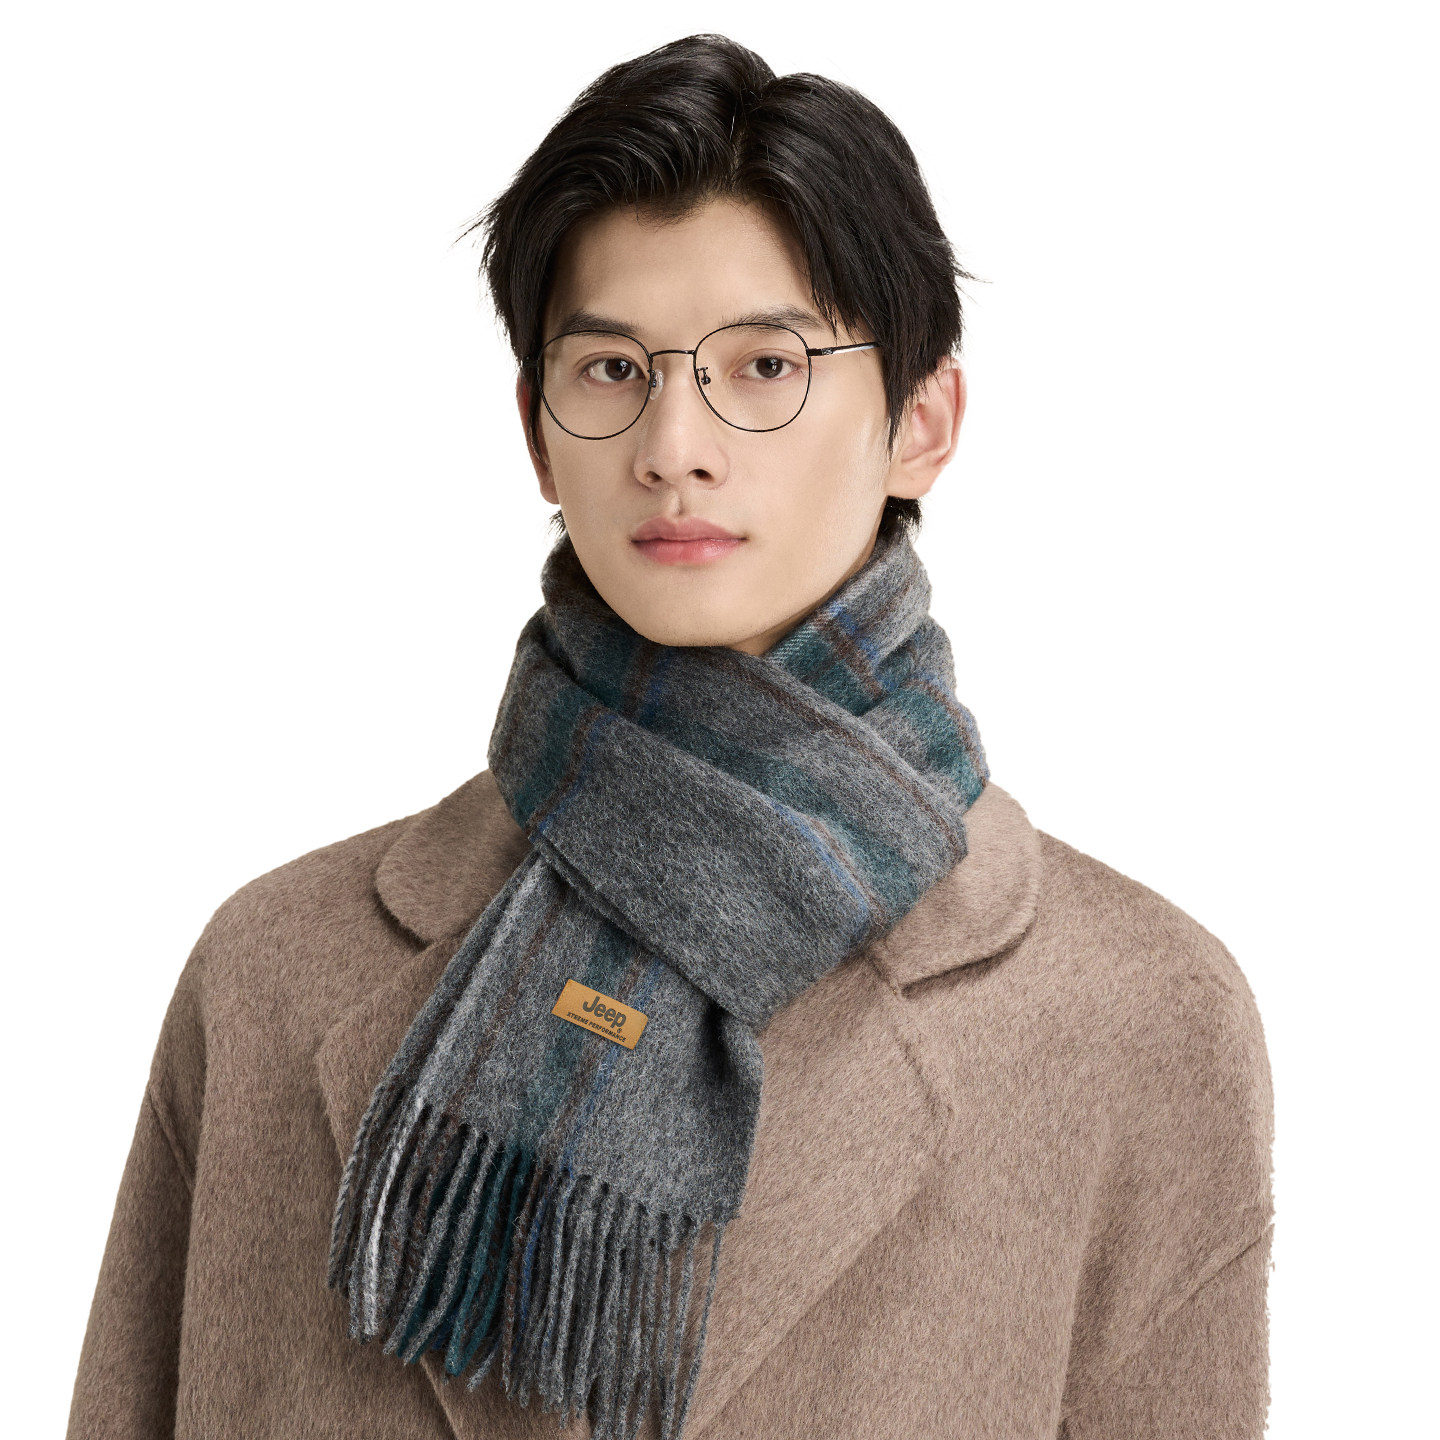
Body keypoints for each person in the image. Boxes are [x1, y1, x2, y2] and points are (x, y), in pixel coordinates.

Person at [66, 32, 1275, 1440]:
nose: (674, 445)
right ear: (538, 431)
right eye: (611, 369)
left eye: (764, 366)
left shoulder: (1136, 1017)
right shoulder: (277, 971)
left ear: (923, 421)